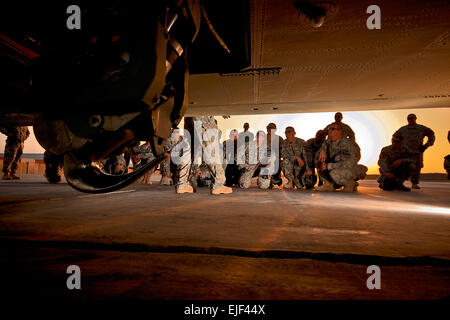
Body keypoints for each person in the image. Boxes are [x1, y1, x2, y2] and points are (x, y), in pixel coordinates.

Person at [175, 116, 232, 195]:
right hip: (203, 116)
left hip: (190, 112)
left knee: (189, 148)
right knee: (211, 148)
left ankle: (182, 184)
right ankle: (218, 184)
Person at [317, 122, 367, 192]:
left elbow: (353, 160)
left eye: (333, 129)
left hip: (349, 168)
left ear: (340, 132)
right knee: (319, 161)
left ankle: (350, 183)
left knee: (334, 172)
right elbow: (321, 151)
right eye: (329, 129)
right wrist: (322, 151)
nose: (330, 131)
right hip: (335, 168)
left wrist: (331, 166)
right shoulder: (327, 143)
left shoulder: (349, 143)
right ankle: (328, 185)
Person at [394, 113, 435, 189]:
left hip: (417, 152)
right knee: (403, 167)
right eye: (409, 119)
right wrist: (397, 147)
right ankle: (400, 182)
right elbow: (395, 137)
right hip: (405, 152)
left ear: (415, 119)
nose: (410, 120)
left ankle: (414, 183)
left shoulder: (421, 128)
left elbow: (431, 134)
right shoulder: (403, 129)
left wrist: (426, 145)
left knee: (417, 167)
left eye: (412, 118)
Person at [266, 122, 283, 189]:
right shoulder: (263, 138)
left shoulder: (280, 139)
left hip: (276, 159)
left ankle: (276, 180)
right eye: (269, 128)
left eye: (272, 128)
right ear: (267, 129)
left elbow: (283, 150)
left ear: (275, 129)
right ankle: (265, 179)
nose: (270, 129)